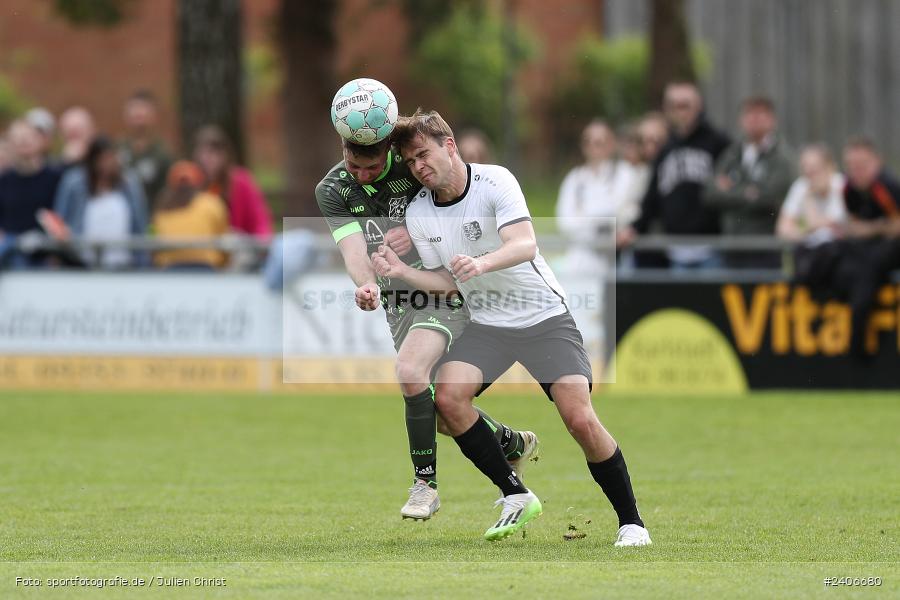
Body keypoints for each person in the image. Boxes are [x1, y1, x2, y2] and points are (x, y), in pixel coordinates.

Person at [381, 109, 650, 546]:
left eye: (423, 155)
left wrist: (480, 263)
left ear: (450, 146)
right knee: (446, 402)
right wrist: (402, 272)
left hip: (543, 317)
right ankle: (515, 492)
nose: (418, 167)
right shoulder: (419, 213)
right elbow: (449, 285)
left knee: (579, 419)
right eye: (410, 163)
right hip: (487, 324)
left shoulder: (495, 181)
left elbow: (525, 244)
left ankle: (632, 523)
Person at [315, 133, 537, 521]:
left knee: (410, 371)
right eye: (355, 167)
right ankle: (511, 442)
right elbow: (353, 250)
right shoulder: (333, 188)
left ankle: (424, 486)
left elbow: (452, 207)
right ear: (342, 152)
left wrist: (413, 234)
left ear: (387, 153)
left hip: (441, 289)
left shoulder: (412, 164)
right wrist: (366, 285)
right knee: (439, 410)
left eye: (372, 167)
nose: (363, 176)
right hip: (396, 302)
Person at [619, 81, 731, 269]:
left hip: (711, 248)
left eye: (685, 105)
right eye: (674, 106)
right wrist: (634, 228)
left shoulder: (718, 142)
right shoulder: (666, 148)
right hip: (676, 252)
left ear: (699, 106)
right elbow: (652, 196)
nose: (680, 111)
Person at [703, 96, 795, 267]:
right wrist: (747, 192)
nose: (754, 120)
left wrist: (731, 191)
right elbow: (710, 193)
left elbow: (771, 197)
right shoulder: (732, 154)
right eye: (749, 115)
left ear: (772, 120)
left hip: (765, 249)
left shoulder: (782, 158)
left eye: (760, 115)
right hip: (731, 247)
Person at [555, 120, 639, 277]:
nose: (593, 148)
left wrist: (588, 218)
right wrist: (600, 224)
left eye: (599, 142)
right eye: (588, 142)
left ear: (611, 144)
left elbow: (624, 213)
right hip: (581, 259)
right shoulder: (574, 178)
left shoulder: (624, 173)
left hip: (616, 259)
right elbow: (565, 222)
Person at [53, 136, 148, 269]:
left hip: (123, 263)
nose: (107, 164)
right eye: (102, 159)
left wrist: (143, 261)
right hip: (82, 263)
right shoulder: (74, 183)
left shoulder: (129, 184)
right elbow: (60, 220)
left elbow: (139, 226)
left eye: (111, 158)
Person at [0, 120, 62, 268]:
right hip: (9, 249)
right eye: (17, 138)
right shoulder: (4, 180)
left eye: (28, 137)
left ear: (40, 141)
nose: (23, 142)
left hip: (45, 248)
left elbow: (60, 215)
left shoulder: (55, 177)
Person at [193, 125, 272, 239]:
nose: (208, 159)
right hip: (205, 248)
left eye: (214, 153)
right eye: (204, 153)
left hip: (242, 245)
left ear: (225, 155)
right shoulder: (193, 184)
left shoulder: (240, 182)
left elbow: (260, 221)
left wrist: (260, 242)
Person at [152, 161, 228, 271]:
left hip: (170, 270)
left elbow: (154, 240)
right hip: (206, 268)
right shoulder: (212, 203)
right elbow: (223, 238)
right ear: (198, 182)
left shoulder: (162, 208)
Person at [776, 144, 847, 244]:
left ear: (830, 167)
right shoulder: (800, 186)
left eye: (815, 169)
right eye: (805, 168)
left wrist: (804, 226)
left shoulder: (842, 185)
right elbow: (783, 229)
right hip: (810, 253)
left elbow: (843, 225)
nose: (809, 173)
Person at [120, 90, 174, 212]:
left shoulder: (163, 155)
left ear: (154, 116)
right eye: (134, 110)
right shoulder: (117, 151)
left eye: (143, 110)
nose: (138, 114)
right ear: (126, 116)